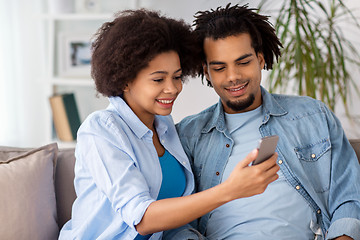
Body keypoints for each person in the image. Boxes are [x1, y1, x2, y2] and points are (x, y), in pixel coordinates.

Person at [58, 9, 280, 240]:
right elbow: (142, 219)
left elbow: (175, 221)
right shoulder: (101, 130)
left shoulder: (166, 126)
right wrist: (230, 190)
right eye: (158, 79)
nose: (173, 88)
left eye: (176, 76)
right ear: (124, 79)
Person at [176, 4, 360, 240]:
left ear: (260, 60)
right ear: (207, 72)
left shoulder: (313, 116)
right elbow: (178, 225)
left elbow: (349, 197)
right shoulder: (188, 135)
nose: (233, 76)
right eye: (220, 67)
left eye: (243, 62)